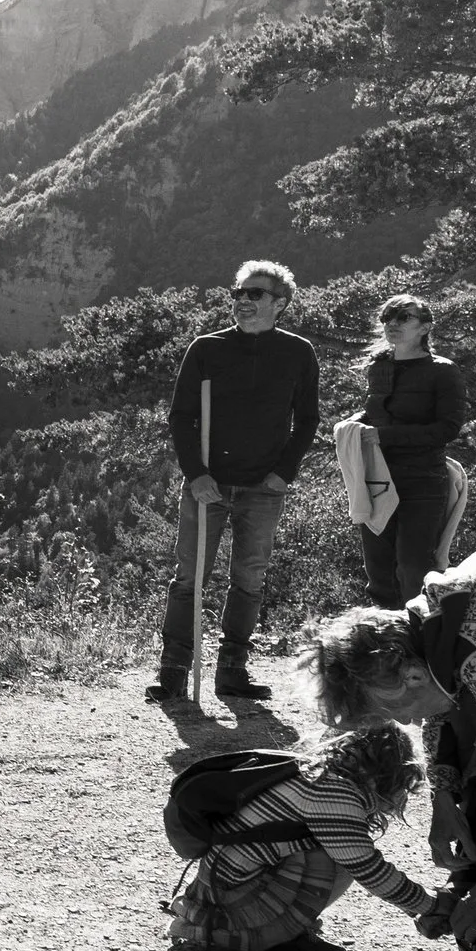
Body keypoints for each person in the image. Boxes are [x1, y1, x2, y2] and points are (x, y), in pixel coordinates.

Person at [307, 536, 476, 951]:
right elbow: (443, 707)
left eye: (396, 710)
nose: (408, 723)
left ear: (412, 676)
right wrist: (445, 796)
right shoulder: (432, 628)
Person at [151, 259, 321, 704]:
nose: (243, 302)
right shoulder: (206, 348)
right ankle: (173, 672)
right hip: (209, 482)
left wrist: (283, 474)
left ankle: (232, 671)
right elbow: (181, 417)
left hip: (263, 488)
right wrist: (196, 474)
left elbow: (307, 421)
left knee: (249, 579)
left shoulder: (298, 352)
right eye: (238, 294)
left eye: (255, 294)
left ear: (279, 303)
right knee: (189, 579)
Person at [166, 725, 451, 951]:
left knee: (341, 847)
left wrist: (416, 907)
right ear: (386, 775)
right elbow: (367, 868)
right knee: (341, 859)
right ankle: (280, 935)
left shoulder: (316, 774)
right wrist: (430, 905)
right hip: (232, 902)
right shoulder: (334, 794)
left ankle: (280, 930)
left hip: (219, 888)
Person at [355, 294, 467, 608]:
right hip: (377, 478)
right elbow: (373, 413)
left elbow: (447, 429)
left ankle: (423, 641)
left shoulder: (443, 371)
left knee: (414, 566)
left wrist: (383, 435)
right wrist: (351, 426)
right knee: (379, 570)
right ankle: (387, 644)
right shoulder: (378, 367)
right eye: (387, 318)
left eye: (404, 318)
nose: (392, 324)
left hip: (423, 481)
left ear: (425, 327)